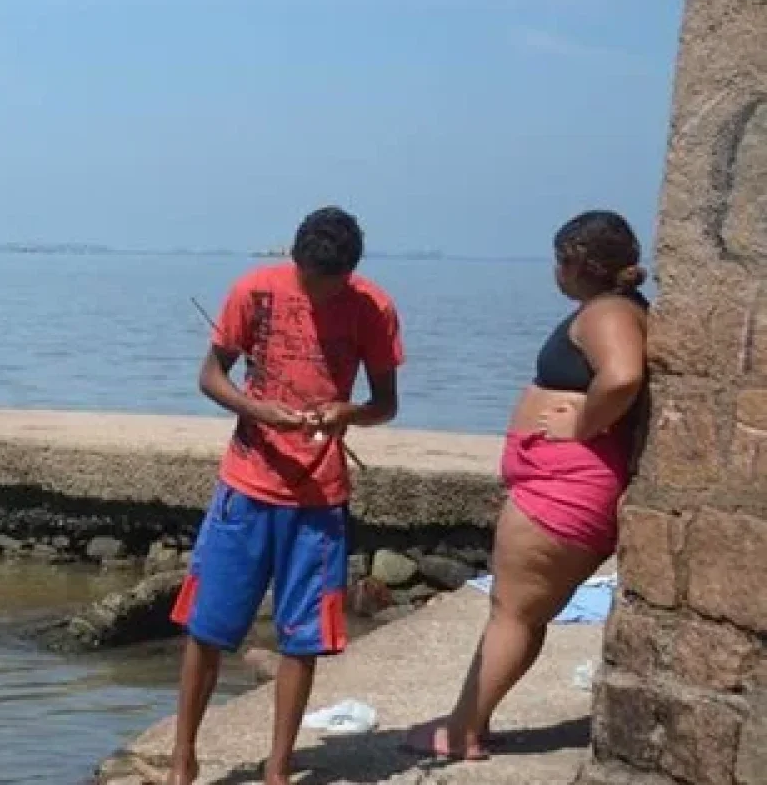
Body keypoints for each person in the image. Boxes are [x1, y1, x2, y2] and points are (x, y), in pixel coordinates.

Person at [165, 206, 404, 785]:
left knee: (302, 638)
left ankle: (278, 767)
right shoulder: (254, 291)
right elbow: (211, 376)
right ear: (294, 260)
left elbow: (385, 404)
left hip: (319, 500)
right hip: (246, 486)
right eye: (309, 281)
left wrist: (347, 412)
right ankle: (182, 757)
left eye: (331, 286)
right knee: (207, 627)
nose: (318, 295)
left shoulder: (374, 308)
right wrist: (258, 409)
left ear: (350, 273)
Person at [405, 211, 649, 761]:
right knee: (521, 611)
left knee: (513, 612)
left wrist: (579, 425)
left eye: (558, 262)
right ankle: (468, 720)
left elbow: (623, 376)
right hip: (559, 483)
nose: (554, 272)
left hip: (565, 487)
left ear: (576, 264)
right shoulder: (614, 308)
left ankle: (462, 732)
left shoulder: (607, 312)